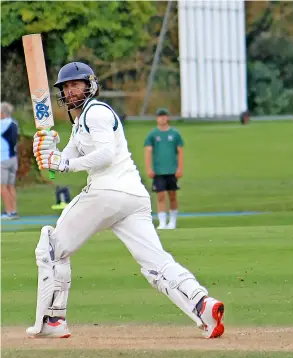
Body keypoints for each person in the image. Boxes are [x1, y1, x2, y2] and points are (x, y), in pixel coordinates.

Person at [27, 62, 224, 339]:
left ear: (90, 86)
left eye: (76, 85)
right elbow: (60, 163)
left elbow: (103, 156)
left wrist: (64, 164)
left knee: (51, 247)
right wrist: (48, 149)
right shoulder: (80, 124)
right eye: (66, 87)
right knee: (156, 263)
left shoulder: (95, 113)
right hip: (133, 197)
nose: (70, 91)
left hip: (106, 192)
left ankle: (53, 321)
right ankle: (203, 305)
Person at [144, 108, 184, 229]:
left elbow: (180, 152)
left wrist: (180, 168)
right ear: (157, 118)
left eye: (164, 116)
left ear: (167, 117)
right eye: (160, 116)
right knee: (160, 195)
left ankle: (172, 221)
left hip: (171, 170)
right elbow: (148, 151)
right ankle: (162, 222)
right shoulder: (153, 134)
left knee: (172, 195)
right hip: (159, 171)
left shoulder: (175, 134)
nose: (162, 118)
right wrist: (148, 168)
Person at [0, 102, 19, 220]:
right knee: (11, 186)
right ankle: (14, 211)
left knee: (2, 187)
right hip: (13, 159)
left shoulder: (2, 124)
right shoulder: (14, 123)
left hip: (3, 159)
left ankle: (8, 212)